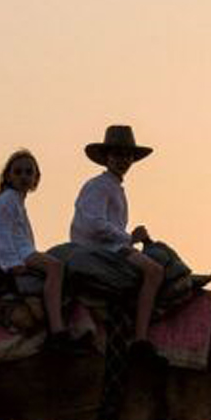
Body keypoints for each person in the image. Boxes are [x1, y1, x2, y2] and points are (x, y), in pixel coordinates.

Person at [62, 124, 165, 345]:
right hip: (102, 250)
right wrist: (129, 238)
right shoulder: (99, 186)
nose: (123, 160)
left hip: (112, 247)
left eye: (127, 155)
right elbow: (94, 224)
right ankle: (141, 338)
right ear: (107, 157)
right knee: (154, 272)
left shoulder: (113, 187)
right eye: (118, 154)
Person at [0, 149, 69, 342]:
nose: (24, 177)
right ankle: (57, 326)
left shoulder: (16, 200)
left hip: (20, 250)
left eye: (29, 172)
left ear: (36, 177)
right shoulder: (8, 200)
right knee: (56, 267)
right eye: (18, 172)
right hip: (13, 253)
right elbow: (1, 234)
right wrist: (11, 264)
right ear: (8, 176)